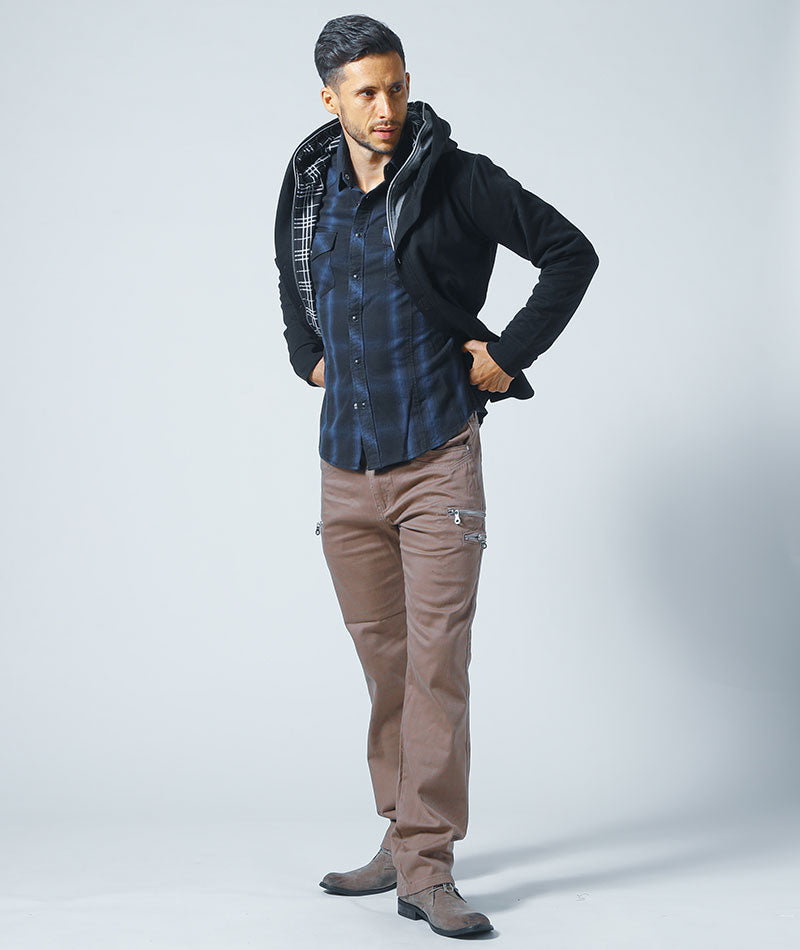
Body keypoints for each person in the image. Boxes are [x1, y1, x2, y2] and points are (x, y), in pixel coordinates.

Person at [274, 14, 599, 939]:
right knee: (386, 665)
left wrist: (507, 352)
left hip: (436, 460)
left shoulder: (459, 178)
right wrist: (305, 354)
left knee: (436, 666)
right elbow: (289, 268)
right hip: (346, 463)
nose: (385, 107)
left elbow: (569, 252)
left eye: (396, 86)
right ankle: (399, 834)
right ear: (330, 97)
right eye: (365, 92)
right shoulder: (308, 184)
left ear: (408, 83)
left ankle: (427, 867)